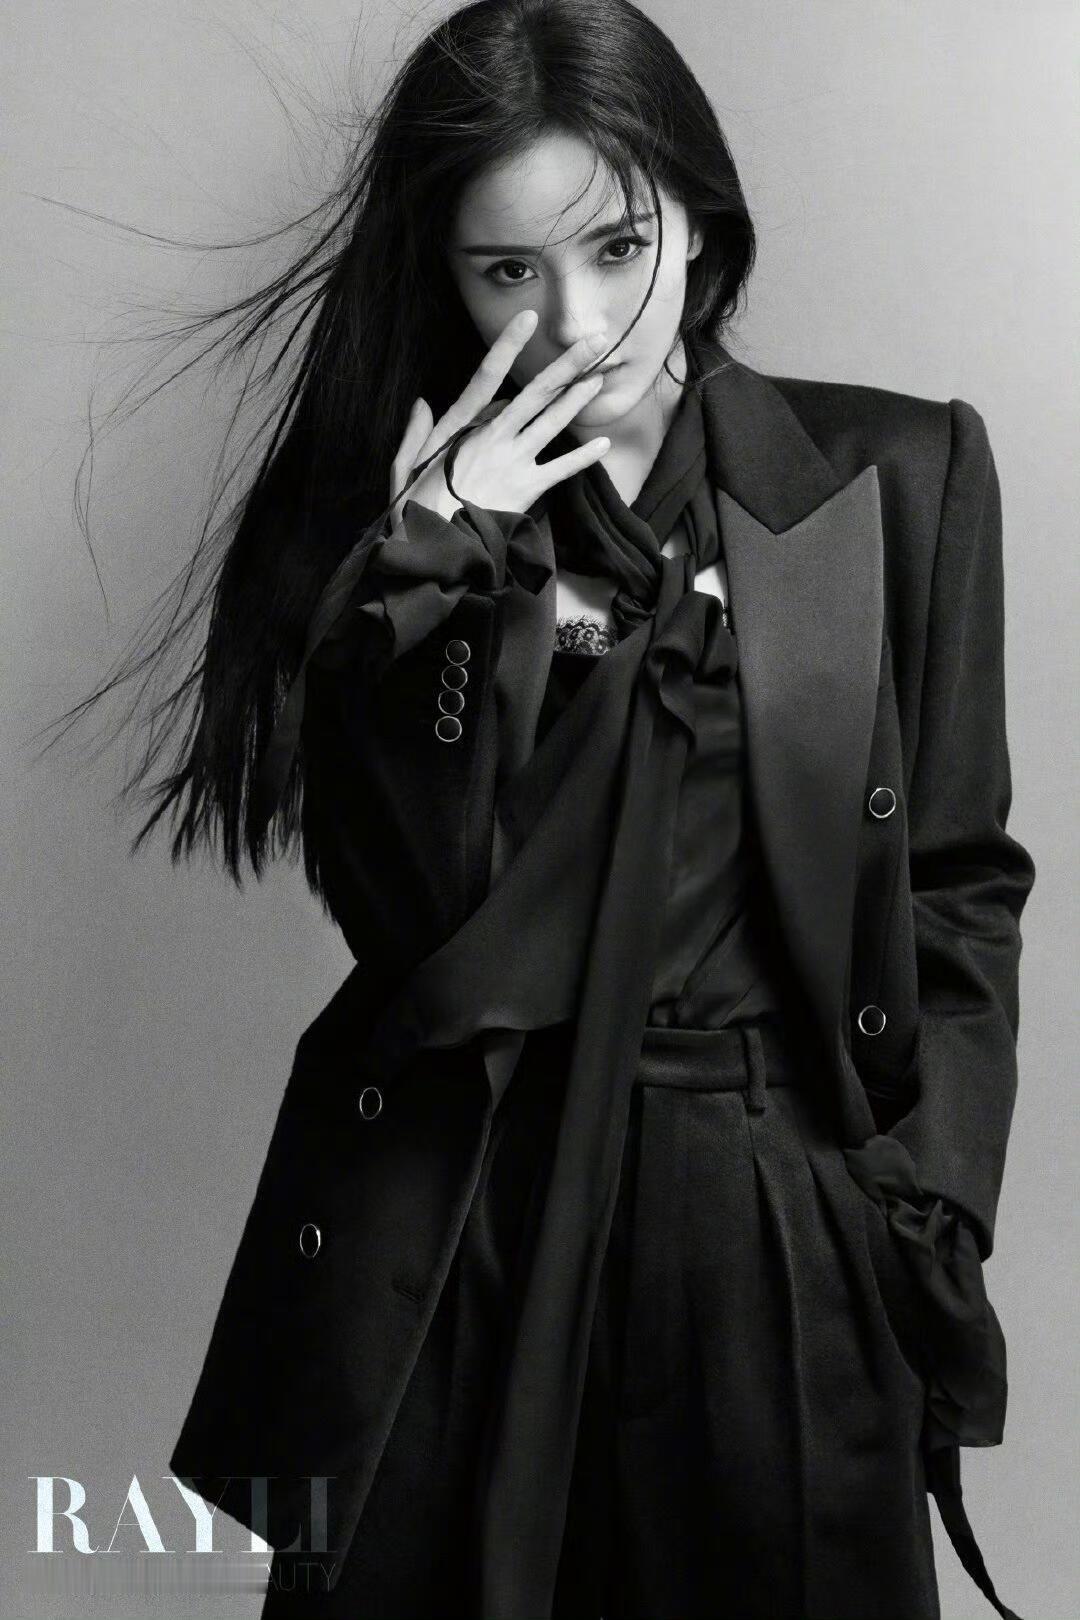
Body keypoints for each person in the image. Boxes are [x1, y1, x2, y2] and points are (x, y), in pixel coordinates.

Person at [66, 1, 1035, 1614]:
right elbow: (413, 927)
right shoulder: (398, 534)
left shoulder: (898, 474)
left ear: (699, 226)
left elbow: (956, 877)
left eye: (617, 246)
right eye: (507, 270)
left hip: (774, 1224)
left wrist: (918, 1211)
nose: (576, 319)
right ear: (446, 278)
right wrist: (437, 569)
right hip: (468, 1212)